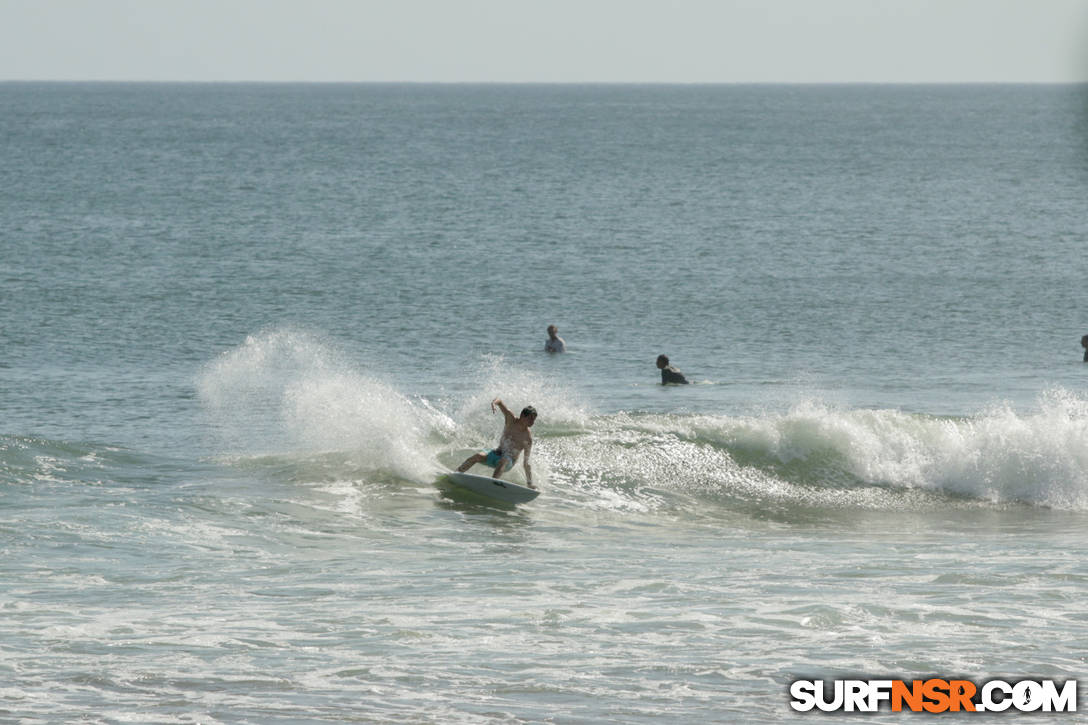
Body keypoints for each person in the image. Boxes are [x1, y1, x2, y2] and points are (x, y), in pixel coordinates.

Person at [457, 398, 537, 488]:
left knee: (504, 460)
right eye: (530, 419)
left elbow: (526, 463)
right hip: (496, 454)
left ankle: (493, 484)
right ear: (522, 415)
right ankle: (457, 473)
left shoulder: (527, 438)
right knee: (478, 456)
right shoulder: (510, 420)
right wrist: (493, 403)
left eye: (534, 419)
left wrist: (529, 483)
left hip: (508, 462)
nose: (532, 422)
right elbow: (499, 401)